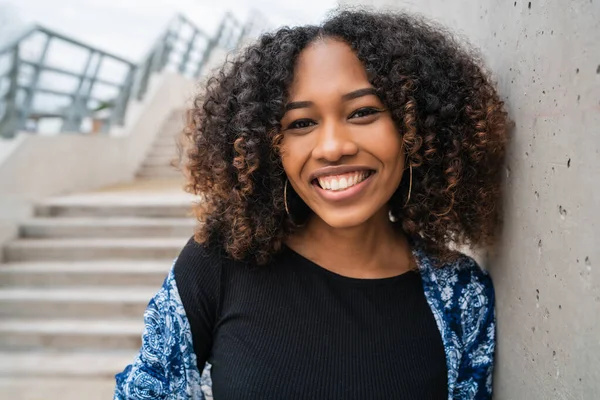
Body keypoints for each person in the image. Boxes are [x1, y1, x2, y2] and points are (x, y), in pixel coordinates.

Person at [114, 8, 507, 400]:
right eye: (301, 123)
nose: (334, 147)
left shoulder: (460, 294)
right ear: (269, 147)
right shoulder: (219, 263)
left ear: (416, 127)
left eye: (363, 112)